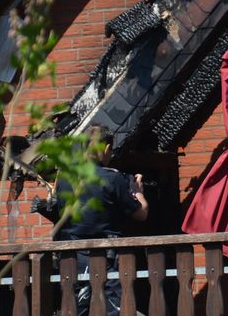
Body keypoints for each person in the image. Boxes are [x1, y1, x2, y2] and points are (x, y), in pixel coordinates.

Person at [54, 127, 148, 316]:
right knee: (113, 308)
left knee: (76, 307)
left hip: (73, 256)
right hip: (107, 257)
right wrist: (138, 192)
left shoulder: (64, 179)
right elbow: (142, 214)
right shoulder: (112, 178)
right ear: (106, 149)